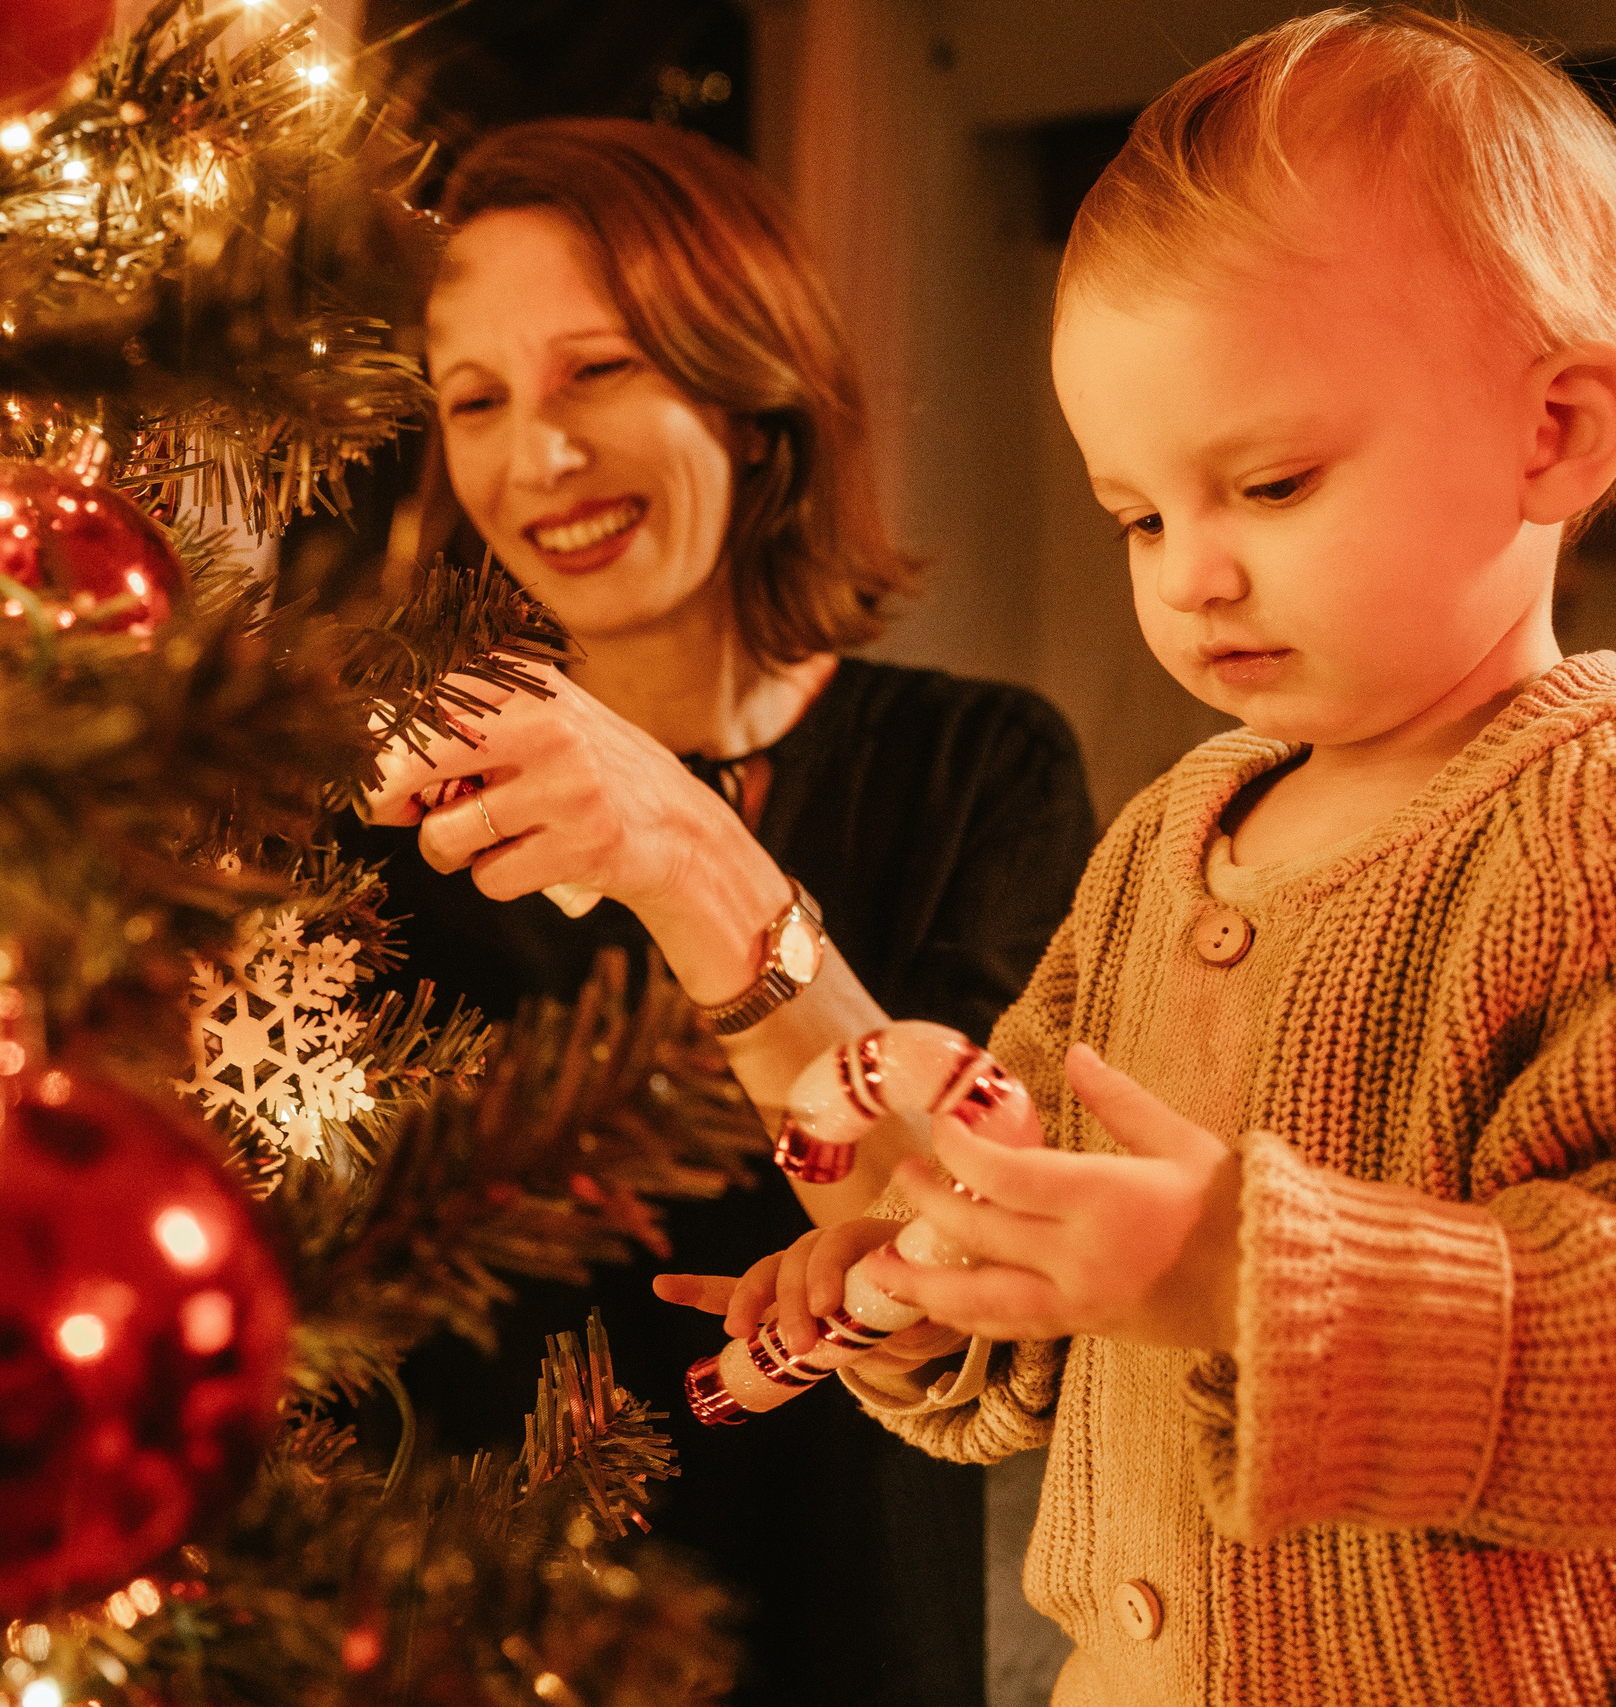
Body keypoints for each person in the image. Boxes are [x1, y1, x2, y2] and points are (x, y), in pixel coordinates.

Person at [656, 10, 1616, 1704]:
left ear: (1554, 431)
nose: (1191, 574)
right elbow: (1043, 1220)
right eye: (1140, 515)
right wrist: (938, 1276)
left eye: (1275, 484)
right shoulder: (1169, 837)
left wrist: (1243, 1274)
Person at [351, 119, 1096, 1707]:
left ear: (755, 399)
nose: (536, 458)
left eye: (598, 370)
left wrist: (690, 852)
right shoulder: (399, 816)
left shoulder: (983, 766)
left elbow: (952, 1239)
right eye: (474, 400)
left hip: (850, 1657)